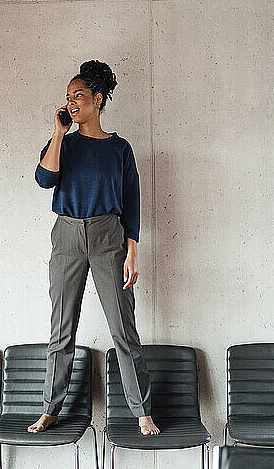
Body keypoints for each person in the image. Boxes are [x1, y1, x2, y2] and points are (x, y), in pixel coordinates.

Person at [29, 60, 160, 436]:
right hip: (68, 236)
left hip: (108, 238)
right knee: (62, 328)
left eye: (79, 96)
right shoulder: (63, 144)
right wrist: (58, 133)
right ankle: (50, 408)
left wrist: (132, 250)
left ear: (98, 100)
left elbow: (132, 202)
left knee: (123, 328)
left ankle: (142, 411)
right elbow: (44, 178)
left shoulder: (120, 148)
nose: (71, 103)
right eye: (68, 97)